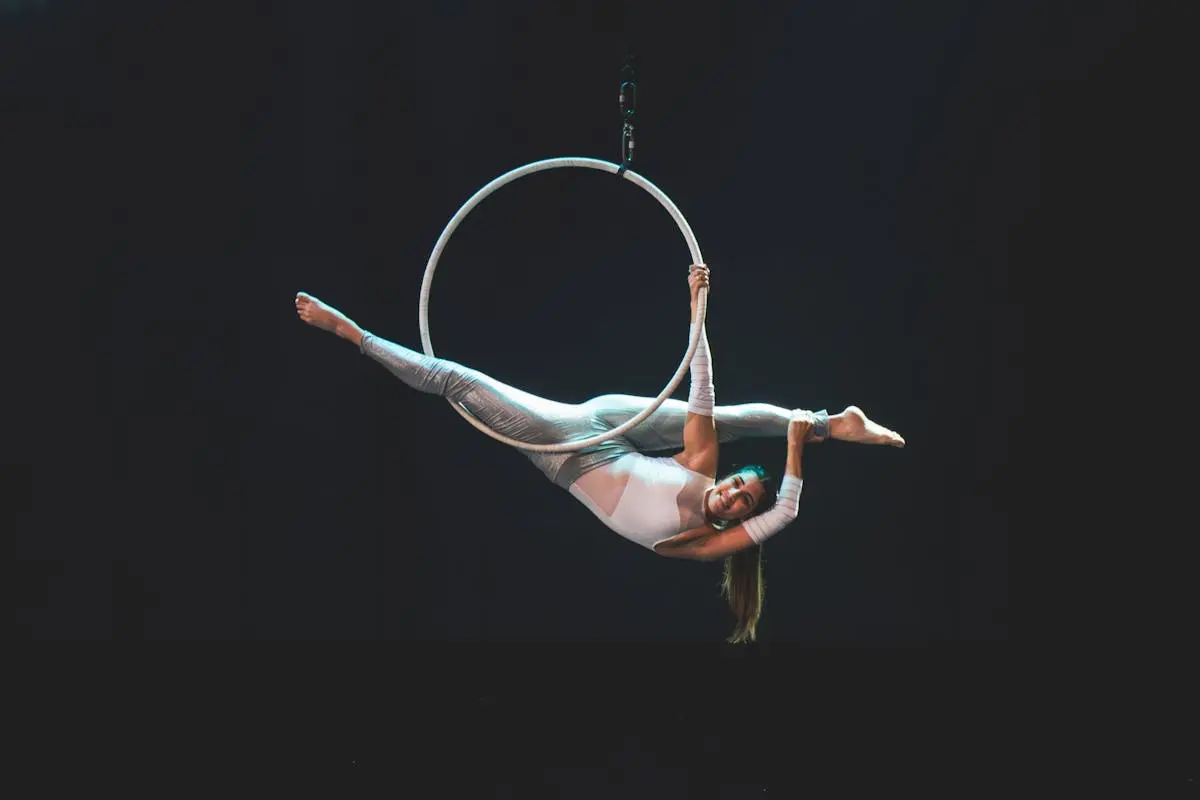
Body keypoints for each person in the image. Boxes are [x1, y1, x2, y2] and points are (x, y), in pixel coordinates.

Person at [294, 265, 904, 642]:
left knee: (456, 380)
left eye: (742, 501)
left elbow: (786, 513)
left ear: (739, 520)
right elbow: (701, 383)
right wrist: (698, 308)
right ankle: (830, 424)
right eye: (739, 483)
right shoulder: (701, 469)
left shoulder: (699, 544)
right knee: (721, 419)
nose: (732, 493)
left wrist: (793, 455)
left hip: (564, 448)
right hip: (607, 421)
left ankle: (351, 334)